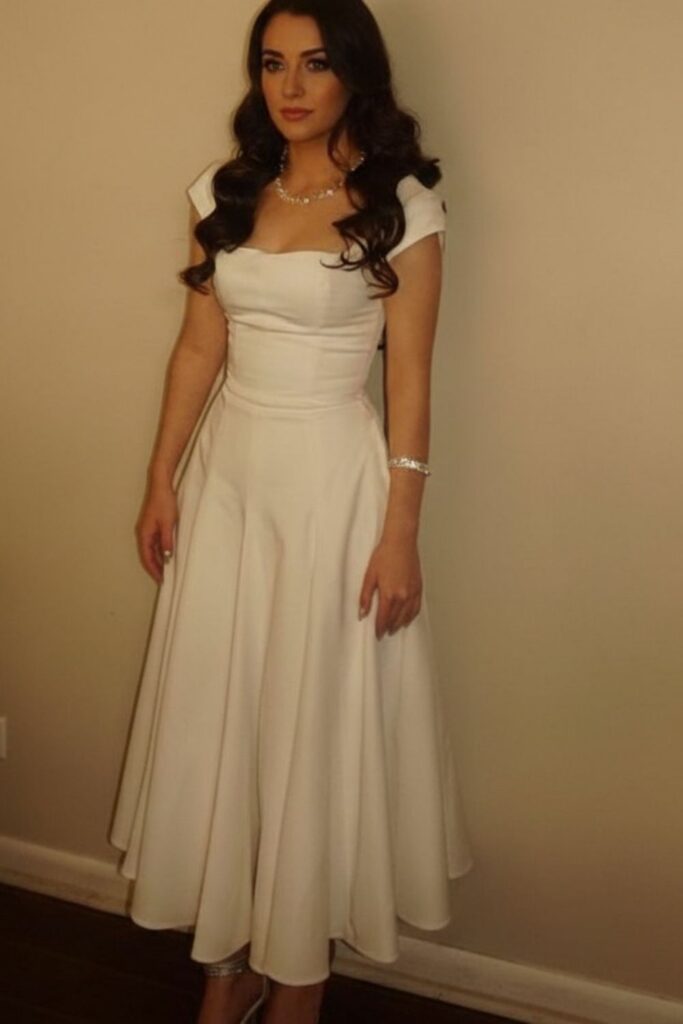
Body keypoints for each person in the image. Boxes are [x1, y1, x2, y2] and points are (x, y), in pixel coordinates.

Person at [108, 1, 474, 1022]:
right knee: (225, 715)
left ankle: (297, 975)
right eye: (272, 64)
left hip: (330, 492)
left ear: (355, 72)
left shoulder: (401, 207)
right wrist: (161, 476)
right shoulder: (227, 193)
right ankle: (227, 961)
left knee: (309, 725)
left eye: (314, 63)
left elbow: (409, 381)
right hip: (228, 484)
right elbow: (198, 346)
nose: (291, 86)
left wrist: (401, 533)